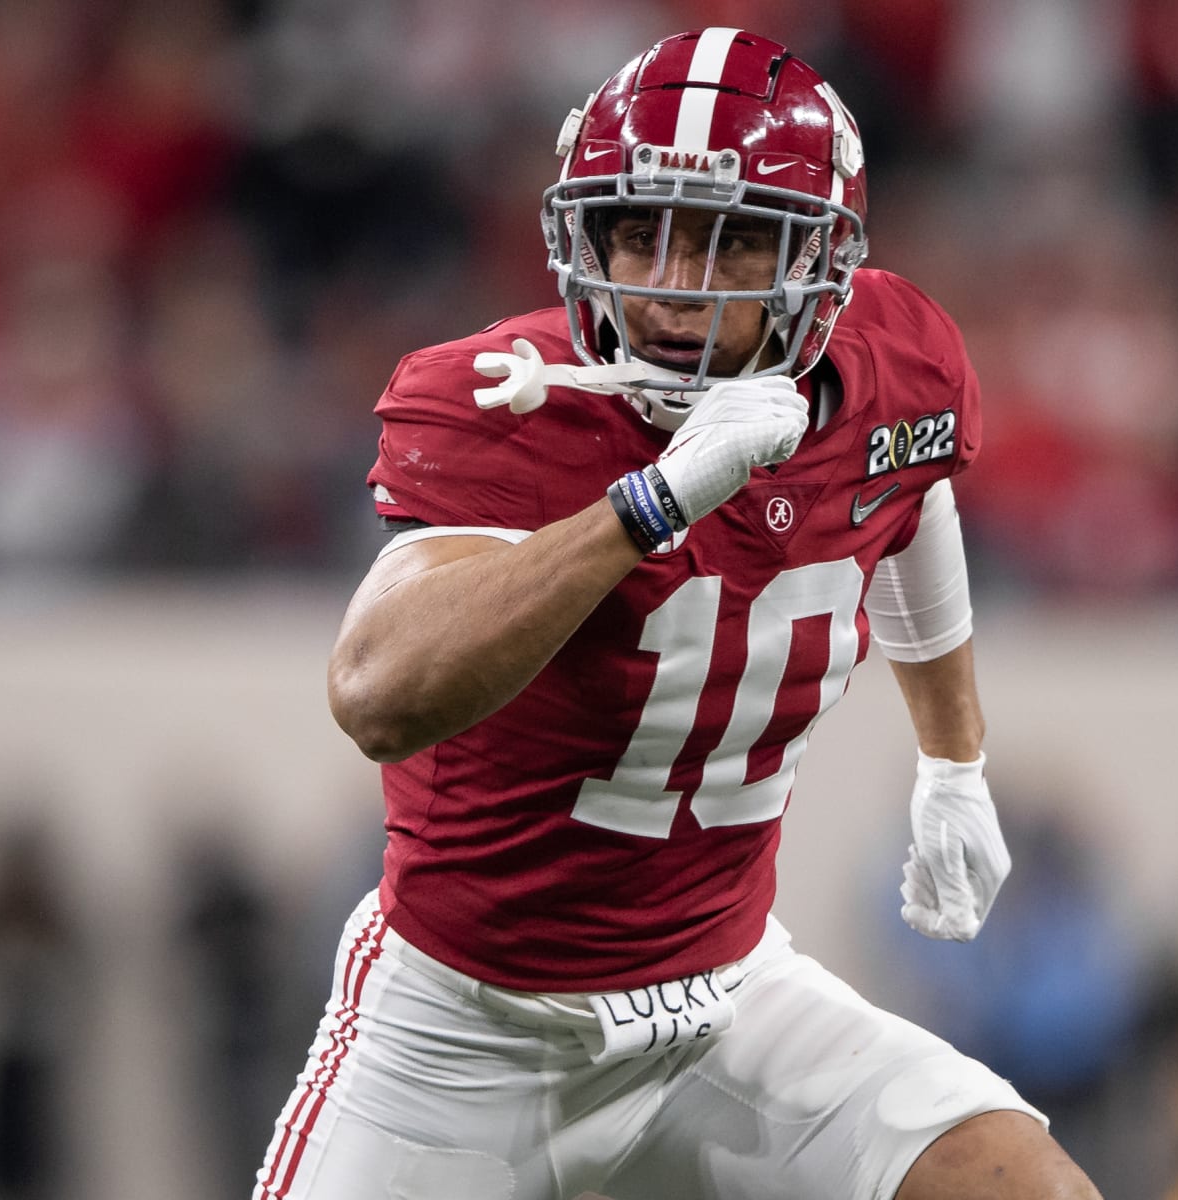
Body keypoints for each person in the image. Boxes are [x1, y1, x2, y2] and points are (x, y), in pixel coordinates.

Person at [255, 27, 1103, 1200]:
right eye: (639, 227)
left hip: (727, 1000)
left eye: (735, 237)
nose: (673, 282)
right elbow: (378, 696)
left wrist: (954, 761)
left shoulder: (891, 364)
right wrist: (648, 505)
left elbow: (909, 494)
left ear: (820, 261)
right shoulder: (507, 402)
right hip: (466, 1034)